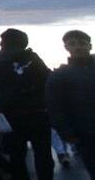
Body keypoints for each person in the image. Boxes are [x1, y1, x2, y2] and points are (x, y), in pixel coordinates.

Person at [0, 28, 53, 180]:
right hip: (38, 112)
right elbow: (46, 79)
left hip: (11, 114)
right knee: (43, 154)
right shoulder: (32, 57)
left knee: (17, 155)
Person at [46, 29, 95, 178]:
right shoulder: (59, 76)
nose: (78, 47)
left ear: (90, 46)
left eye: (82, 43)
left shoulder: (60, 75)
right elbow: (55, 107)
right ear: (66, 47)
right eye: (72, 44)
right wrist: (67, 132)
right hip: (86, 134)